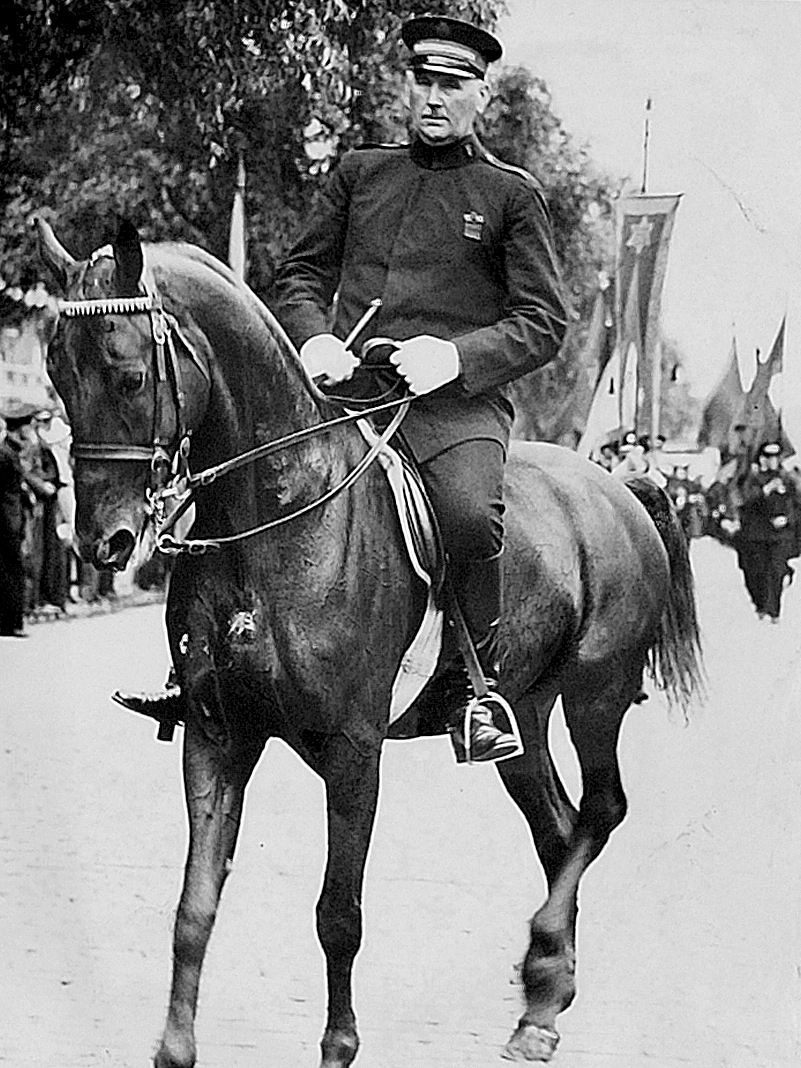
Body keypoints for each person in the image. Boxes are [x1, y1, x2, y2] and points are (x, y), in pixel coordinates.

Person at [116, 14, 568, 762]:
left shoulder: (509, 195)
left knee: (467, 517)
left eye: (452, 85)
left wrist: (454, 358)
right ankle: (194, 665)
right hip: (345, 393)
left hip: (452, 409)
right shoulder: (360, 174)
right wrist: (312, 339)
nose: (434, 97)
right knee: (223, 488)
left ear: (481, 96)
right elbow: (301, 275)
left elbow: (543, 321)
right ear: (407, 86)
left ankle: (474, 687)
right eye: (423, 81)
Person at [735, 441, 801, 622]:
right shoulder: (751, 478)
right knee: (756, 572)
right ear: (761, 459)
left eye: (775, 457)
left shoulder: (787, 479)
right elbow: (744, 500)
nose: (772, 461)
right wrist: (765, 490)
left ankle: (773, 610)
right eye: (768, 457)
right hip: (756, 534)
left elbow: (798, 505)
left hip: (780, 535)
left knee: (775, 570)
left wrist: (787, 519)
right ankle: (760, 604)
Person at [0, 414, 27, 636]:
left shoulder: (9, 451)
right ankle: (10, 621)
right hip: (6, 518)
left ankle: (12, 620)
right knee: (11, 568)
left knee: (11, 568)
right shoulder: (6, 453)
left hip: (11, 516)